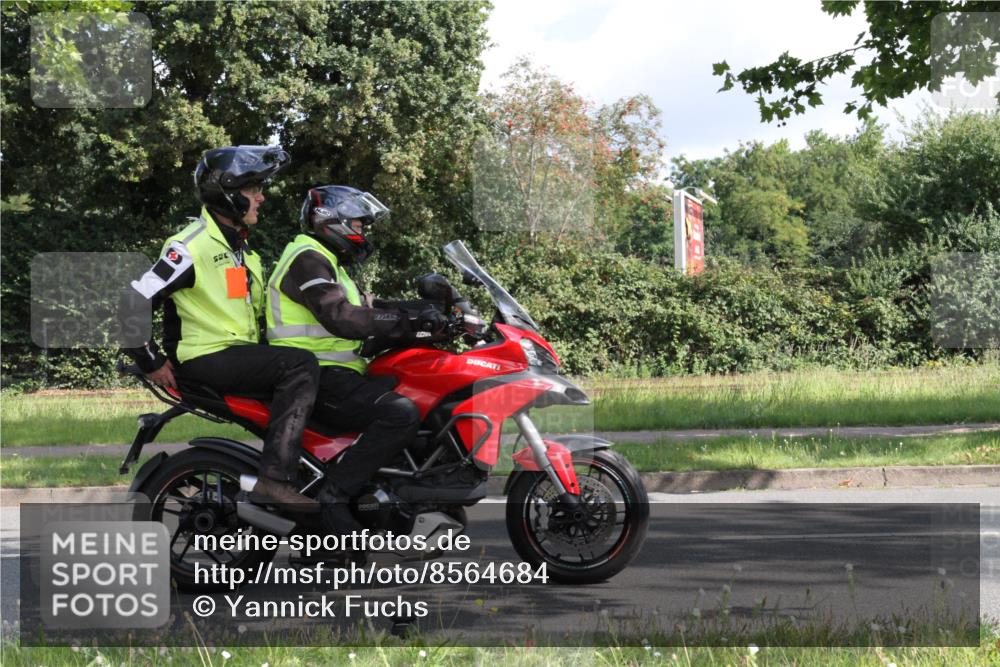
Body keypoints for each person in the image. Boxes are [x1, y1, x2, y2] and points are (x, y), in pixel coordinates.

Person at [122, 145, 322, 511]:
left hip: (234, 355)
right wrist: (150, 360)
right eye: (252, 190)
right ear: (229, 194)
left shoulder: (243, 252)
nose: (261, 197)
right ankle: (274, 482)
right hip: (207, 357)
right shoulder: (189, 246)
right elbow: (133, 301)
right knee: (300, 366)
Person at [265, 185, 449, 531]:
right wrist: (412, 323)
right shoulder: (307, 258)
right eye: (359, 224)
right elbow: (341, 316)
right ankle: (334, 496)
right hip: (317, 375)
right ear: (333, 221)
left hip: (337, 372)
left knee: (415, 393)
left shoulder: (328, 262)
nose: (363, 232)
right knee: (400, 413)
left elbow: (370, 310)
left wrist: (433, 313)